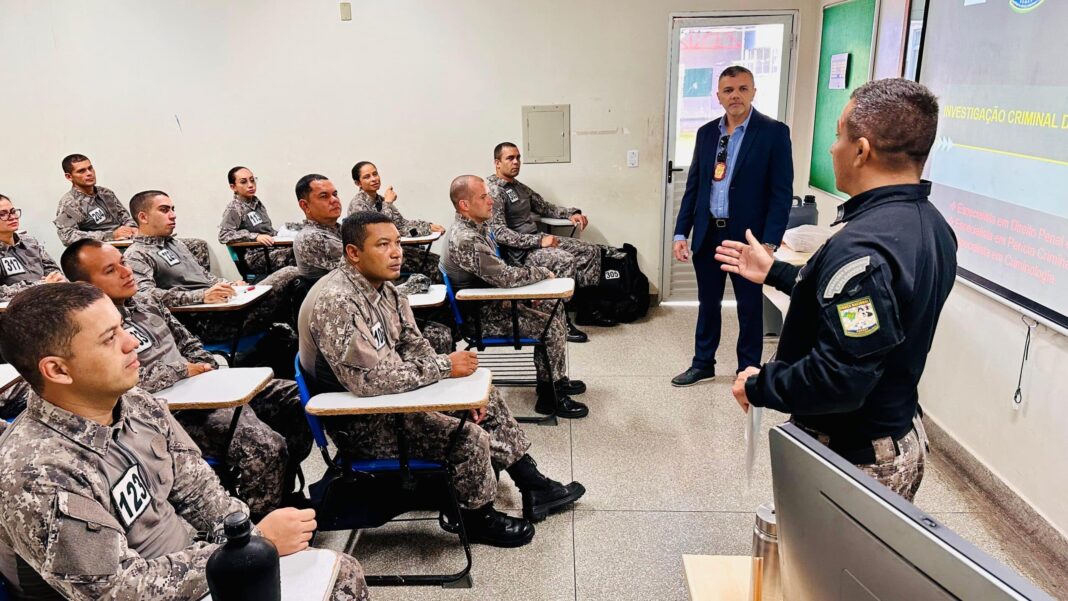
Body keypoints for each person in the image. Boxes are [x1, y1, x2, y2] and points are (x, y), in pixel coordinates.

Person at [0, 282, 370, 600]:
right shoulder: (38, 471)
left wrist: (248, 539)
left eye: (122, 328)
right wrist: (243, 552)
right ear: (57, 370)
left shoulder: (135, 404)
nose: (132, 343)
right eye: (110, 338)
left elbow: (198, 491)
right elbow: (117, 590)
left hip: (192, 567)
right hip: (149, 589)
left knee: (340, 574)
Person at [716, 78, 957, 502]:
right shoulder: (930, 225)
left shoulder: (861, 248)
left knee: (828, 569)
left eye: (839, 134)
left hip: (856, 458)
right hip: (894, 431)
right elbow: (862, 311)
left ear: (862, 150)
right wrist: (777, 273)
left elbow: (842, 378)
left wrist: (760, 384)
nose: (832, 148)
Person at [298, 211, 584, 547]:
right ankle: (476, 517)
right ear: (353, 253)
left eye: (397, 243)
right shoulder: (338, 300)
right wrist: (446, 369)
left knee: (484, 398)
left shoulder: (384, 288)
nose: (396, 252)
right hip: (363, 420)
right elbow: (368, 382)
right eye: (383, 245)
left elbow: (413, 343)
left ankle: (533, 484)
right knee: (470, 438)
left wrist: (457, 394)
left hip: (393, 399)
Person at [61, 239, 313, 515]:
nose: (126, 271)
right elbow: (120, 384)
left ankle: (282, 489)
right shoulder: (86, 331)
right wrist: (181, 371)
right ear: (84, 286)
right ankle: (259, 525)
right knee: (263, 444)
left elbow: (190, 343)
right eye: (110, 270)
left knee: (298, 399)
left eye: (122, 263)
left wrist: (203, 365)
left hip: (201, 387)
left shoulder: (146, 302)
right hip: (166, 414)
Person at [671, 65, 794, 387]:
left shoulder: (773, 132)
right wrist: (681, 232)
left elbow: (781, 194)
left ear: (753, 91)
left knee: (749, 305)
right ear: (719, 96)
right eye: (728, 90)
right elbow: (695, 186)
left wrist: (768, 244)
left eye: (742, 88)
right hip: (710, 231)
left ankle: (748, 369)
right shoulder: (707, 133)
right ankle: (702, 363)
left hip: (748, 238)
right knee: (707, 302)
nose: (735, 95)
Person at [441, 175, 588, 419]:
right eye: (484, 196)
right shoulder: (466, 238)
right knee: (550, 326)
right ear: (464, 205)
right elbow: (505, 277)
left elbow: (499, 274)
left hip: (491, 302)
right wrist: (541, 273)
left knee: (554, 309)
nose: (491, 201)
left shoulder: (477, 227)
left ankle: (555, 379)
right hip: (481, 315)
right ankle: (550, 397)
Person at [294, 174, 454, 354]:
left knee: (440, 317)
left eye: (335, 194)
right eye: (324, 196)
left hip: (371, 307)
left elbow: (397, 225)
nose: (334, 200)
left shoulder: (339, 230)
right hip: (354, 315)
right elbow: (363, 278)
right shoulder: (312, 237)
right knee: (439, 334)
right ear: (304, 205)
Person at [124, 190, 298, 341]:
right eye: (164, 210)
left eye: (173, 209)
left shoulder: (175, 244)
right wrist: (201, 296)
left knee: (296, 287)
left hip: (226, 308)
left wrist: (230, 286)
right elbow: (144, 296)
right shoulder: (137, 254)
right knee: (291, 274)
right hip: (206, 323)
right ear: (143, 217)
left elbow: (205, 277)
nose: (173, 215)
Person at [486, 142, 616, 340]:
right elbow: (500, 233)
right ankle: (558, 320)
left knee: (590, 250)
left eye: (518, 157)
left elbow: (544, 207)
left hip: (537, 242)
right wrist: (539, 241)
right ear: (497, 163)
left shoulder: (519, 188)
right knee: (564, 260)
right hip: (520, 253)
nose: (516, 162)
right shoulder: (494, 191)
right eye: (510, 158)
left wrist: (572, 213)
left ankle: (587, 310)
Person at [54, 153, 210, 268]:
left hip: (131, 241)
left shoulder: (106, 193)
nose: (89, 173)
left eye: (90, 168)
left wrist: (133, 229)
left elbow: (126, 217)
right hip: (106, 250)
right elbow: (67, 237)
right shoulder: (70, 203)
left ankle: (200, 286)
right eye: (81, 171)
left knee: (196, 245)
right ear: (69, 176)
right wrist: (111, 235)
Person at [347, 161, 444, 279]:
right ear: (358, 183)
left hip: (391, 250)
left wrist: (427, 226)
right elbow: (378, 231)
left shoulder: (380, 200)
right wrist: (388, 203)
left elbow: (401, 224)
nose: (374, 179)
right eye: (367, 177)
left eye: (375, 174)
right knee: (434, 268)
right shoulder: (358, 204)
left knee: (439, 261)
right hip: (376, 257)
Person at [218, 165, 299, 275]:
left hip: (271, 249)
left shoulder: (256, 203)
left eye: (252, 180)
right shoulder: (234, 208)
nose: (250, 185)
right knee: (299, 253)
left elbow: (266, 231)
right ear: (233, 187)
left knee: (304, 245)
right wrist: (255, 237)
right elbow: (224, 235)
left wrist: (285, 234)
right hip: (256, 256)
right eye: (243, 182)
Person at [0, 194, 66, 301]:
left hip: (49, 301)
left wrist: (56, 279)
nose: (12, 217)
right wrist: (41, 286)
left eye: (13, 211)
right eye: (3, 214)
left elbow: (52, 269)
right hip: (15, 310)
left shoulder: (30, 242)